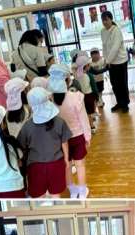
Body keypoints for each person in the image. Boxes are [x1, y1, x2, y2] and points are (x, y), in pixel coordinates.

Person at [17, 87, 71, 198]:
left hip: (35, 166)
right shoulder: (60, 122)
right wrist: (66, 159)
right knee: (56, 195)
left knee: (38, 197)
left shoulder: (27, 126)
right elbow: (64, 142)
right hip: (56, 163)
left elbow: (21, 146)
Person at [48, 64, 91, 199]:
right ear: (67, 81)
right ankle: (82, 191)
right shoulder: (76, 97)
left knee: (66, 165)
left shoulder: (50, 100)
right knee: (80, 165)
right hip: (77, 136)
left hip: (60, 140)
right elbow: (83, 119)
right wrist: (87, 137)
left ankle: (72, 191)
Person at [101, 11, 130, 113]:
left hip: (120, 61)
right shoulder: (103, 31)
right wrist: (105, 59)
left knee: (122, 84)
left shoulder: (116, 30)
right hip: (111, 63)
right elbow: (104, 46)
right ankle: (119, 102)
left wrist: (108, 61)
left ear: (111, 19)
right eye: (103, 20)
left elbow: (115, 48)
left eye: (106, 20)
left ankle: (125, 104)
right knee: (114, 84)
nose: (104, 22)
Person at [75, 55, 98, 132]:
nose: (90, 66)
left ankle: (87, 125)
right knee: (89, 113)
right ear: (86, 66)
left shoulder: (77, 75)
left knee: (85, 112)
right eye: (89, 65)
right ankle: (91, 126)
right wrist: (96, 96)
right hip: (88, 96)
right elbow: (89, 88)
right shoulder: (87, 76)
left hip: (81, 96)